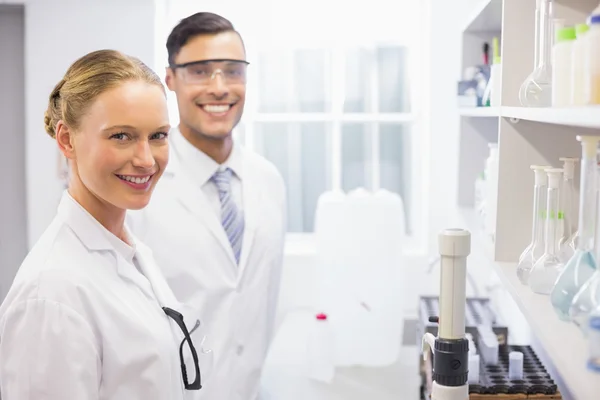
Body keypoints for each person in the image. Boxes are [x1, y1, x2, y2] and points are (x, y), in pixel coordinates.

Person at [0, 49, 208, 399]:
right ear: (67, 139)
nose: (146, 160)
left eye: (157, 135)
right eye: (121, 136)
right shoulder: (51, 294)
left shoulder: (130, 251)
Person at [127, 12, 287, 400]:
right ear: (171, 80)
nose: (219, 88)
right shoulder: (137, 187)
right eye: (199, 71)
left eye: (232, 71)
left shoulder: (269, 181)